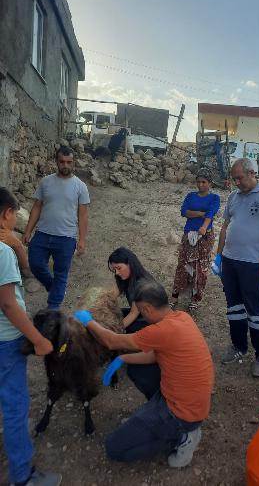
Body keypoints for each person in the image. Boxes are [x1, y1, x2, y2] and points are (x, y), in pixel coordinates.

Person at [73, 279, 214, 468]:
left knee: (114, 448)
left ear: (147, 309)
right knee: (137, 370)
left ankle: (182, 437)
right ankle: (156, 418)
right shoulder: (181, 317)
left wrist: (88, 321)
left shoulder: (159, 330)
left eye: (140, 310)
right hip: (189, 401)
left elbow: (112, 342)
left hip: (181, 414)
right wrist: (123, 359)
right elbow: (158, 355)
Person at [0, 187, 62, 486]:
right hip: (6, 340)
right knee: (15, 407)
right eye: (14, 214)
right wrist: (37, 338)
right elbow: (9, 303)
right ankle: (23, 477)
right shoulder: (1, 252)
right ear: (6, 215)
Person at [213, 158, 259, 377]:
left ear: (252, 173)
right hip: (229, 260)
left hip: (251, 263)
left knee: (254, 308)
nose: (236, 182)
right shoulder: (233, 197)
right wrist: (217, 257)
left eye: (239, 178)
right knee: (234, 307)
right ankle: (239, 346)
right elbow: (225, 228)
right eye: (234, 178)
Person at [22, 146, 90, 310]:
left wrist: (82, 240)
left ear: (73, 163)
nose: (65, 165)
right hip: (42, 234)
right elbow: (37, 206)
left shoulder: (80, 186)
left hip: (66, 238)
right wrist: (28, 230)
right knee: (36, 265)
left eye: (69, 162)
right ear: (56, 162)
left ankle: (53, 308)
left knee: (61, 273)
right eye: (62, 162)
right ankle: (54, 288)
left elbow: (83, 215)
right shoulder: (46, 182)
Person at [108, 246, 161, 398]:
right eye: (114, 270)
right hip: (139, 315)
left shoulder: (141, 284)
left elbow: (133, 314)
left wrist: (113, 333)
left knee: (118, 328)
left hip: (148, 321)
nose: (117, 273)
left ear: (130, 263)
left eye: (118, 268)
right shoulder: (126, 277)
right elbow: (113, 294)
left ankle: (132, 347)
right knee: (114, 315)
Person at [170, 169, 220, 311]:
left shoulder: (214, 198)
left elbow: (210, 213)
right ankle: (175, 296)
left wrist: (203, 227)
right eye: (198, 182)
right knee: (183, 264)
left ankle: (195, 298)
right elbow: (183, 211)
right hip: (188, 234)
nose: (200, 185)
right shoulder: (190, 196)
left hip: (205, 236)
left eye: (204, 182)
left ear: (209, 183)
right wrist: (199, 213)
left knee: (201, 267)